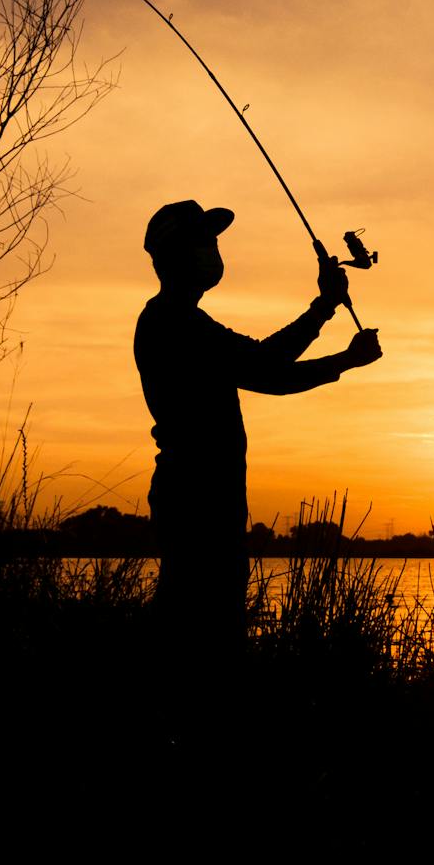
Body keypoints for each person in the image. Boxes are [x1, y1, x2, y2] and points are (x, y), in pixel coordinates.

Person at [134, 198, 382, 665]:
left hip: (204, 500)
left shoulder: (180, 319)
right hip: (194, 500)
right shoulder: (173, 322)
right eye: (203, 241)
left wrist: (326, 310)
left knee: (200, 639)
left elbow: (266, 368)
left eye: (213, 241)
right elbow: (267, 369)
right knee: (197, 643)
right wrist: (338, 340)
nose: (212, 250)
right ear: (175, 254)